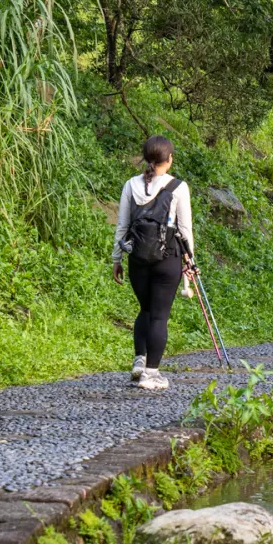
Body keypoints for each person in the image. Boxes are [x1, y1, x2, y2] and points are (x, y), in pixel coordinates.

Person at [111, 135, 194, 390]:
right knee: (159, 317)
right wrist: (190, 264)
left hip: (137, 259)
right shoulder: (179, 187)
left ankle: (139, 362)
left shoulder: (130, 185)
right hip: (167, 259)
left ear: (147, 158)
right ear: (168, 160)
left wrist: (117, 259)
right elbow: (185, 229)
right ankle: (152, 374)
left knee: (145, 310)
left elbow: (122, 226)